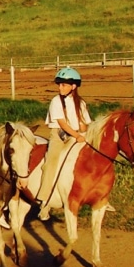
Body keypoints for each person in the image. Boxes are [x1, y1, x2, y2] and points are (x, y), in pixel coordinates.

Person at [39, 67, 93, 216]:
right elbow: (62, 124)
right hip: (59, 136)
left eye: (63, 85)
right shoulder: (56, 101)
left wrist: (83, 133)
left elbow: (83, 122)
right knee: (51, 163)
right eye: (59, 84)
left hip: (77, 135)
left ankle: (96, 195)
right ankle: (45, 201)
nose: (60, 87)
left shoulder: (80, 103)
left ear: (73, 86)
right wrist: (77, 135)